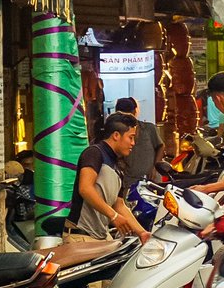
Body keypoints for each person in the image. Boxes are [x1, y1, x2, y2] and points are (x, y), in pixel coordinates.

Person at [65, 113, 150, 243]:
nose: (133, 143)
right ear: (116, 135)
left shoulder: (118, 166)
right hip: (81, 236)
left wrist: (142, 233)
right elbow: (85, 188)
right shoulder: (94, 153)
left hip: (102, 236)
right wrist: (113, 216)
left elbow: (119, 204)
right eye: (131, 138)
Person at [114, 96, 165, 184]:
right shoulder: (116, 133)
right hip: (129, 181)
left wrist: (155, 167)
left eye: (128, 114)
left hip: (152, 180)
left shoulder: (149, 128)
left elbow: (161, 146)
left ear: (134, 112)